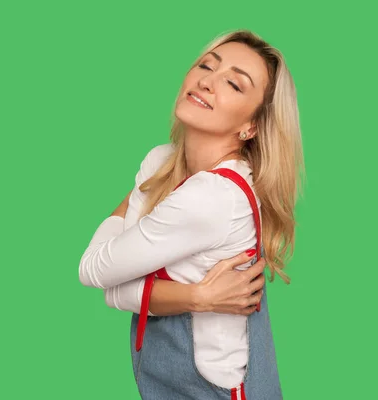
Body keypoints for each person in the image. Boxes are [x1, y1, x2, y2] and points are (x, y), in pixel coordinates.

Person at [79, 29, 304, 399]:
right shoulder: (161, 161)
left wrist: (129, 289)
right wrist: (197, 296)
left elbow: (94, 271)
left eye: (233, 83)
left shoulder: (212, 198)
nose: (207, 82)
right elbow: (106, 281)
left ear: (251, 127)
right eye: (205, 65)